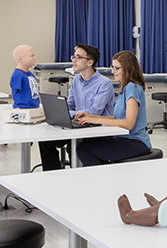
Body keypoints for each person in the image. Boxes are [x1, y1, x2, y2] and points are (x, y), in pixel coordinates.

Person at [37, 43, 115, 171]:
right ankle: (53, 178)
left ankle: (76, 177)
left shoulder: (104, 83)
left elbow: (94, 111)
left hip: (96, 129)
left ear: (90, 62)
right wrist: (62, 112)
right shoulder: (76, 80)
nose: (74, 60)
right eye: (73, 56)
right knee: (46, 141)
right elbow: (70, 105)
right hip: (79, 125)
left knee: (73, 147)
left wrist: (71, 114)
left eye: (78, 57)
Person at [73, 50, 152, 165]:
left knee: (83, 149)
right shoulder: (124, 88)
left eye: (117, 68)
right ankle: (106, 177)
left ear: (128, 68)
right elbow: (117, 117)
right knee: (87, 145)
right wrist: (90, 116)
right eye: (112, 67)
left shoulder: (132, 88)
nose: (113, 71)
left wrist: (96, 120)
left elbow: (129, 123)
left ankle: (103, 181)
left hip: (136, 142)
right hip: (124, 139)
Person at [9, 44, 40, 109]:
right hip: (23, 108)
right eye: (31, 56)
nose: (34, 58)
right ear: (20, 59)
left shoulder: (31, 75)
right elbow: (16, 93)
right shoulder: (17, 75)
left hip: (34, 107)